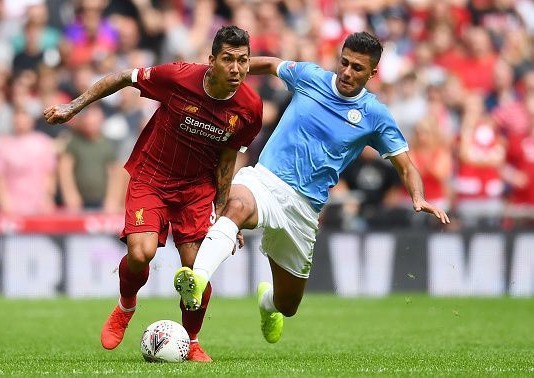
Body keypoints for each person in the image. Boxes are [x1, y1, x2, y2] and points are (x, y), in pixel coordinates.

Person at [174, 32, 450, 344]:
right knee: (236, 206)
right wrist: (229, 70)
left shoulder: (375, 115)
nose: (346, 72)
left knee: (288, 305)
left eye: (357, 68)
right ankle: (197, 278)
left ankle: (268, 304)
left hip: (304, 208)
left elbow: (406, 165)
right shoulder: (310, 76)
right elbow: (273, 64)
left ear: (372, 73)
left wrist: (418, 197)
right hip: (264, 179)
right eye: (344, 62)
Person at [44, 25, 262, 362]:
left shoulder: (250, 107)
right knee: (141, 253)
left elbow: (228, 158)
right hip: (152, 177)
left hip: (197, 189)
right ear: (212, 60)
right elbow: (121, 78)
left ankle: (191, 341)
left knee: (196, 270)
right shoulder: (178, 77)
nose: (236, 69)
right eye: (228, 59)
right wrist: (74, 106)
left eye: (243, 61)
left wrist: (224, 216)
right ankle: (125, 306)